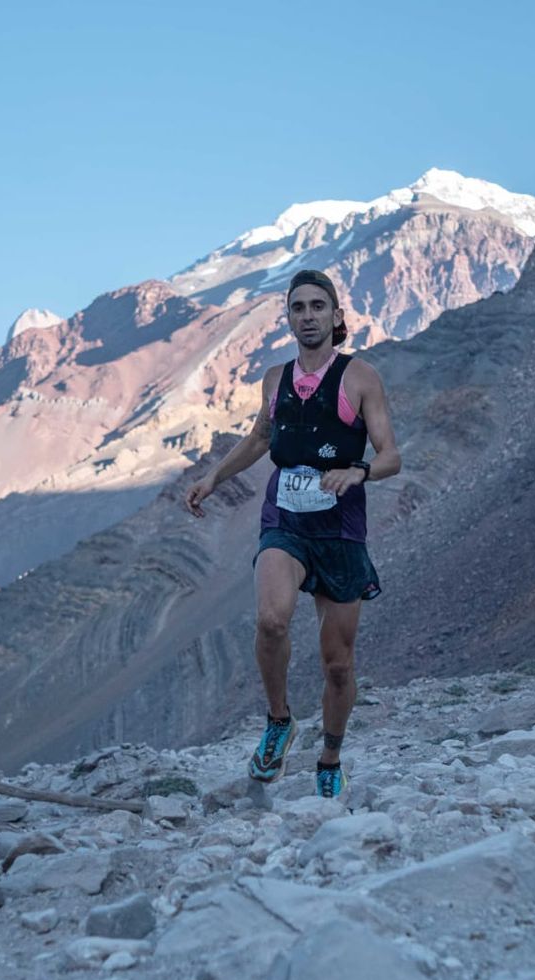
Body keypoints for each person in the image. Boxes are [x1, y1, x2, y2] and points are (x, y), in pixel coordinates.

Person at [185, 269, 401, 797]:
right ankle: (279, 721)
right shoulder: (276, 379)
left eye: (316, 306)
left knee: (337, 665)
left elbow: (391, 455)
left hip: (341, 528)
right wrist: (214, 475)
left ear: (336, 316)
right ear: (288, 317)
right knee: (271, 619)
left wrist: (359, 472)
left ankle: (329, 757)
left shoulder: (361, 378)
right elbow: (262, 437)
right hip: (285, 519)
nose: (307, 315)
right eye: (297, 307)